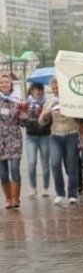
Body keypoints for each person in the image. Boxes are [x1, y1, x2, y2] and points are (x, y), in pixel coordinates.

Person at [40, 79, 81, 204]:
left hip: (71, 134)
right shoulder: (49, 102)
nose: (56, 91)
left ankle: (72, 194)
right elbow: (41, 122)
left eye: (58, 88)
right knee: (54, 163)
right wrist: (46, 114)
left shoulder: (72, 99)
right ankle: (60, 192)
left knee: (71, 165)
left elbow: (80, 117)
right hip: (55, 136)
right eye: (53, 89)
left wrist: (69, 110)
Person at [22, 82, 51, 198]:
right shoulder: (26, 104)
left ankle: (45, 188)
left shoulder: (47, 103)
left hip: (45, 136)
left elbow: (50, 123)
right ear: (31, 90)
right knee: (31, 162)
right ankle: (33, 188)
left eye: (40, 89)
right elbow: (23, 122)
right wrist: (24, 117)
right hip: (31, 137)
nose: (38, 92)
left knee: (45, 163)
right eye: (35, 89)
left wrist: (44, 117)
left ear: (43, 91)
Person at [0, 72, 25, 208]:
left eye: (7, 82)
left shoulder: (17, 101)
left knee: (15, 169)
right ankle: (8, 198)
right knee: (3, 173)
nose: (4, 84)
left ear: (11, 85)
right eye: (2, 82)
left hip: (14, 137)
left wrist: (23, 112)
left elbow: (22, 123)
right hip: (0, 139)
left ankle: (16, 199)